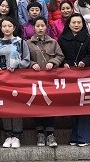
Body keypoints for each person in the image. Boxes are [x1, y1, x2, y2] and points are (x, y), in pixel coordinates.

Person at [58, 13, 90, 146]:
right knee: (73, 107)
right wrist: (63, 63)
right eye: (73, 22)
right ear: (69, 24)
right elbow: (58, 55)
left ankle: (83, 137)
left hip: (84, 76)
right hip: (68, 76)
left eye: (79, 22)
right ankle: (74, 135)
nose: (76, 25)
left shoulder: (88, 39)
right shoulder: (62, 38)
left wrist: (85, 62)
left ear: (83, 24)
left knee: (84, 106)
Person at [27, 17, 64, 146]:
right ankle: (40, 134)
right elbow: (24, 58)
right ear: (33, 28)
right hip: (35, 81)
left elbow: (60, 56)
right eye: (37, 26)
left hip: (50, 80)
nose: (40, 28)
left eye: (42, 25)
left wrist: (53, 63)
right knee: (37, 106)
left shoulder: (53, 42)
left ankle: (50, 134)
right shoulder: (28, 43)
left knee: (50, 105)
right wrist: (32, 64)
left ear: (46, 27)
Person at [0, 17, 30, 148]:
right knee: (5, 105)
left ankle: (17, 135)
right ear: (1, 28)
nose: (7, 28)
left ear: (14, 27)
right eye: (4, 26)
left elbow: (27, 60)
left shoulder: (20, 42)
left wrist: (17, 65)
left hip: (17, 78)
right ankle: (8, 134)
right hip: (2, 79)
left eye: (9, 26)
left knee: (16, 105)